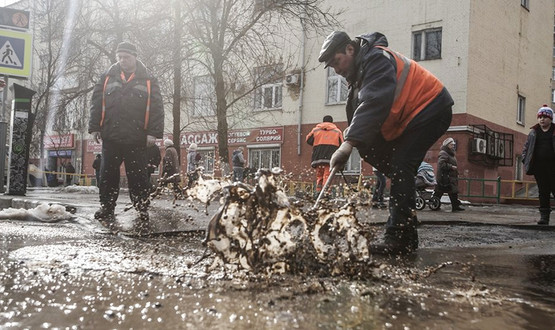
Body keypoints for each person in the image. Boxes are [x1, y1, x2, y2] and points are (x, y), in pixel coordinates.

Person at [319, 31, 454, 254]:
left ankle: (399, 238)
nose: (337, 70)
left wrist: (348, 143)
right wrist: (352, 141)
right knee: (387, 160)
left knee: (402, 166)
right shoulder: (359, 77)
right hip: (411, 119)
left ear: (350, 50)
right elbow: (359, 117)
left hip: (432, 108)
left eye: (337, 62)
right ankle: (406, 224)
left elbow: (374, 102)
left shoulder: (377, 59)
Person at [88, 41, 164, 232]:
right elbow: (96, 103)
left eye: (126, 57)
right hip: (111, 136)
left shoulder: (148, 79)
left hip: (137, 138)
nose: (123, 61)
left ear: (135, 57)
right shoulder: (106, 77)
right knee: (107, 174)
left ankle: (141, 207)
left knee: (138, 176)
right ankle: (107, 207)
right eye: (120, 57)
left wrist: (153, 133)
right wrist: (94, 128)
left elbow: (157, 108)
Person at [522, 105, 555, 225]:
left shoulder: (554, 131)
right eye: (540, 117)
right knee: (543, 192)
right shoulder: (533, 132)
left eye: (545, 117)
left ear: (550, 118)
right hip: (539, 168)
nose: (542, 119)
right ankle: (544, 217)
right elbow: (526, 148)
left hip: (553, 167)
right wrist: (525, 159)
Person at [306, 115, 343, 196]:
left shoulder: (315, 130)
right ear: (332, 122)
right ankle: (326, 193)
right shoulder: (337, 131)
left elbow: (308, 140)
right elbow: (342, 145)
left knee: (319, 176)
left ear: (323, 121)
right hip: (330, 158)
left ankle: (318, 192)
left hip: (318, 158)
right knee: (327, 176)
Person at [432, 138, 465, 212]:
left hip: (450, 177)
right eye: (451, 144)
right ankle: (434, 204)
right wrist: (451, 167)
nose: (453, 146)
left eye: (453, 144)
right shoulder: (443, 153)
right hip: (445, 177)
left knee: (453, 192)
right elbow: (441, 164)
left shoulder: (451, 153)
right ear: (447, 145)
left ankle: (455, 206)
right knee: (440, 191)